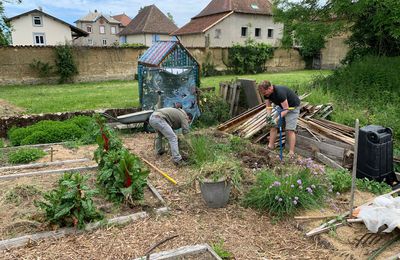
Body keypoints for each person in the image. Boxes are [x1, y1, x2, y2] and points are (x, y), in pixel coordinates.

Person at [258, 80, 300, 156]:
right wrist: (268, 116)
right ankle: (270, 146)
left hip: (292, 108)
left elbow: (286, 109)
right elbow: (268, 107)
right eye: (263, 93)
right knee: (273, 126)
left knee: (290, 130)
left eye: (264, 93)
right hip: (282, 107)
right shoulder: (266, 94)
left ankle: (291, 152)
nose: (264, 95)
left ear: (270, 88)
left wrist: (276, 119)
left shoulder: (280, 93)